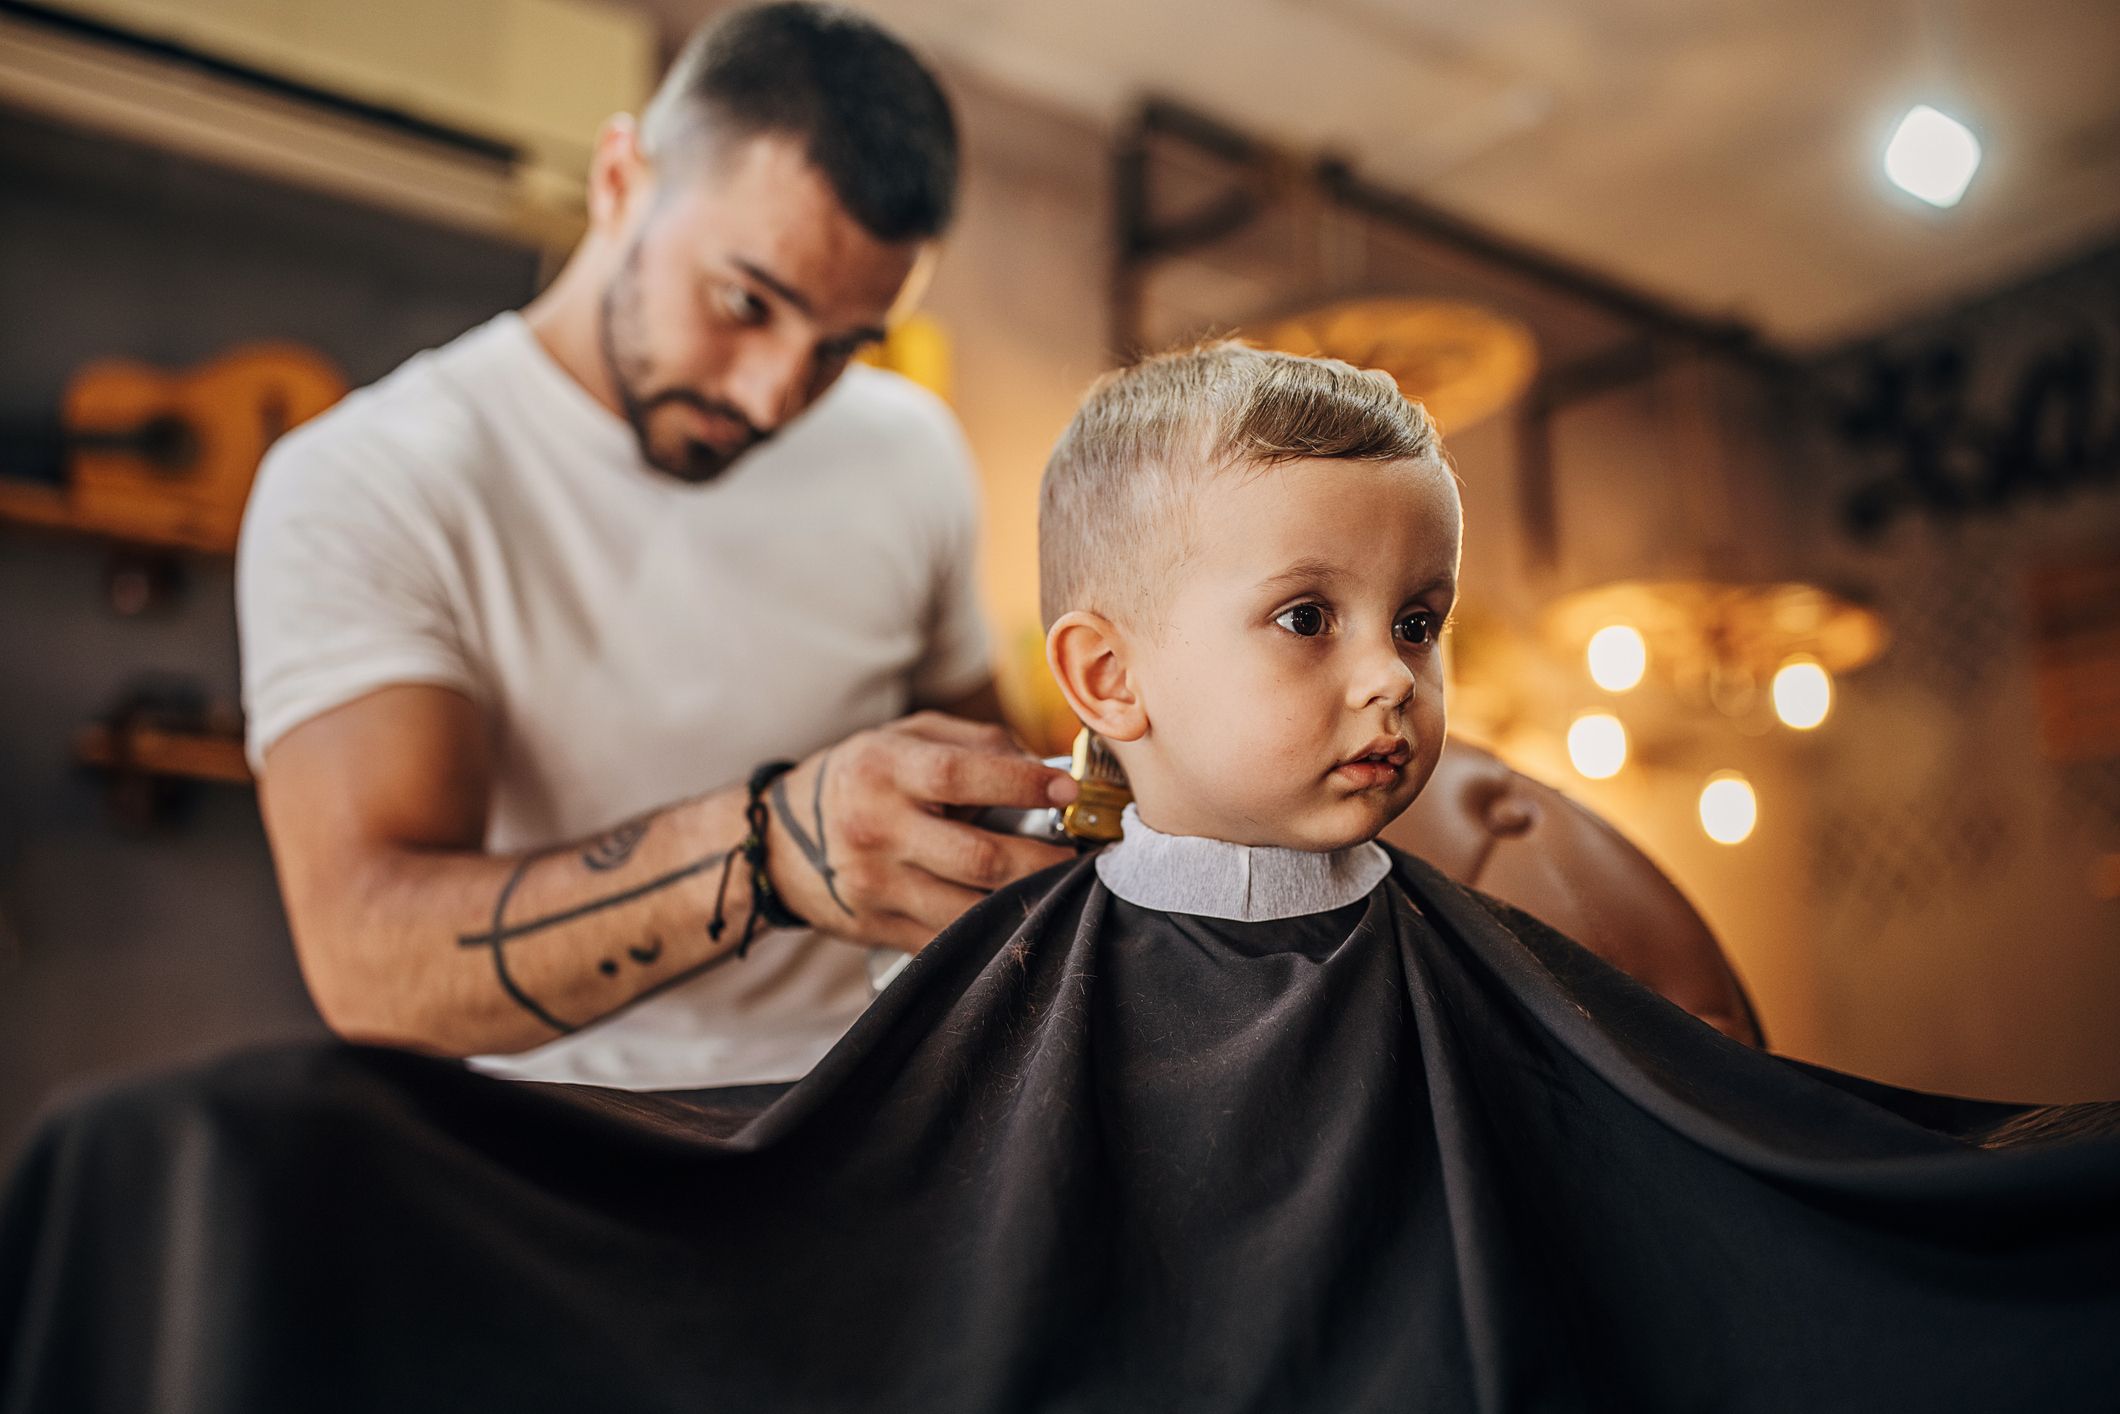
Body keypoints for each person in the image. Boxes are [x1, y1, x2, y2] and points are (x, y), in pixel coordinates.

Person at [6, 346, 2114, 1412]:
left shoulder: (1504, 980)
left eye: (1425, 616)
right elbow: (790, 1203)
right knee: (222, 1153)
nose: (1397, 685)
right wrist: (275, 1163)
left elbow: (1806, 1185)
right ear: (1105, 676)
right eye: (1309, 616)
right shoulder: (1014, 972)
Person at [234, 2, 1079, 1091]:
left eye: (838, 347)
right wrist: (765, 851)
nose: (775, 393)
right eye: (743, 301)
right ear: (618, 179)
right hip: (552, 1152)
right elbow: (369, 963)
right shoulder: (368, 478)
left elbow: (987, 785)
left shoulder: (907, 448)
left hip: (866, 1121)